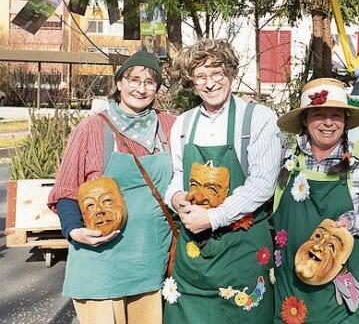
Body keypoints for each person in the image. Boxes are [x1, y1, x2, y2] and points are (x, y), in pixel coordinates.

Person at [49, 50, 176, 324]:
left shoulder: (170, 126)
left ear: (157, 88)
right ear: (119, 83)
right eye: (133, 79)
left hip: (151, 260)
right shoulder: (92, 129)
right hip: (101, 259)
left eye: (150, 82)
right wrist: (73, 229)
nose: (141, 89)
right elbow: (66, 189)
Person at [163, 39, 282, 323]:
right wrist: (177, 199)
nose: (210, 83)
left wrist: (214, 217)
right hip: (194, 255)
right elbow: (178, 174)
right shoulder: (184, 123)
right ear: (191, 83)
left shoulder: (258, 118)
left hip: (241, 250)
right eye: (200, 77)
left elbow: (263, 184)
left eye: (217, 73)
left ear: (231, 72)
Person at [272, 77, 359, 323]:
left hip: (340, 294)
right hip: (290, 291)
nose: (328, 123)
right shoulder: (286, 161)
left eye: (336, 115)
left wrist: (352, 221)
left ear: (346, 121)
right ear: (305, 120)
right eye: (319, 114)